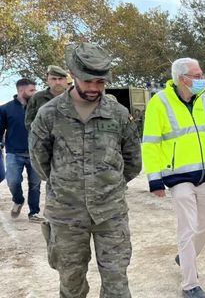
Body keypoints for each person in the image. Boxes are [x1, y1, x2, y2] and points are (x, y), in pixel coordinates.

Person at [29, 42, 142, 297]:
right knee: (71, 283)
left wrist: (107, 184)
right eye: (88, 81)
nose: (94, 88)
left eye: (100, 82)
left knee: (117, 283)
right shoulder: (49, 114)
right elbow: (40, 161)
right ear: (75, 76)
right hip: (66, 215)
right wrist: (69, 184)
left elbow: (133, 160)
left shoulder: (118, 114)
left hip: (110, 214)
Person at [142, 58, 205, 298]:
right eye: (197, 75)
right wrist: (155, 179)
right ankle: (190, 284)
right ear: (182, 78)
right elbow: (151, 144)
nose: (201, 78)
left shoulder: (204, 102)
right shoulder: (159, 103)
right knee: (187, 228)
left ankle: (184, 257)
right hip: (178, 177)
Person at [0, 78, 42, 222]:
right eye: (32, 90)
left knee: (35, 185)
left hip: (35, 153)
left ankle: (34, 213)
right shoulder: (5, 109)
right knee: (12, 181)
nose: (34, 92)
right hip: (13, 153)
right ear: (21, 90)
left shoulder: (38, 108)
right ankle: (18, 200)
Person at [25, 65, 69, 129]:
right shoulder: (37, 98)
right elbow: (28, 123)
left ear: (66, 80)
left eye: (60, 79)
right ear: (47, 80)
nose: (57, 82)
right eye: (54, 79)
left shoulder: (74, 97)